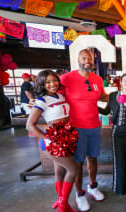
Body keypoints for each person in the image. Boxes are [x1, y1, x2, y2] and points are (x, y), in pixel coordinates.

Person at [60, 48, 108, 211]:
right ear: (78, 60)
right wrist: (37, 101)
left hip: (94, 125)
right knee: (78, 163)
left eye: (90, 58)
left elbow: (103, 96)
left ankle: (92, 187)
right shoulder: (66, 78)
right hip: (76, 127)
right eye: (84, 57)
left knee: (93, 159)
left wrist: (123, 95)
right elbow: (52, 92)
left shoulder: (97, 79)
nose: (88, 60)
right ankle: (79, 194)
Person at [26, 70, 77, 212]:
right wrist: (49, 138)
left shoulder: (60, 96)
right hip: (54, 142)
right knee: (73, 170)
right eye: (47, 82)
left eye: (54, 80)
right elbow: (29, 125)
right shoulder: (42, 100)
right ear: (42, 84)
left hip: (65, 137)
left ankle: (61, 200)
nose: (52, 84)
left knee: (59, 171)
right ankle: (63, 204)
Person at [99, 73, 126, 195]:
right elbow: (106, 111)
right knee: (119, 160)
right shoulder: (112, 96)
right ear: (121, 82)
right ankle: (120, 187)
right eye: (125, 81)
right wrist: (92, 106)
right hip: (117, 132)